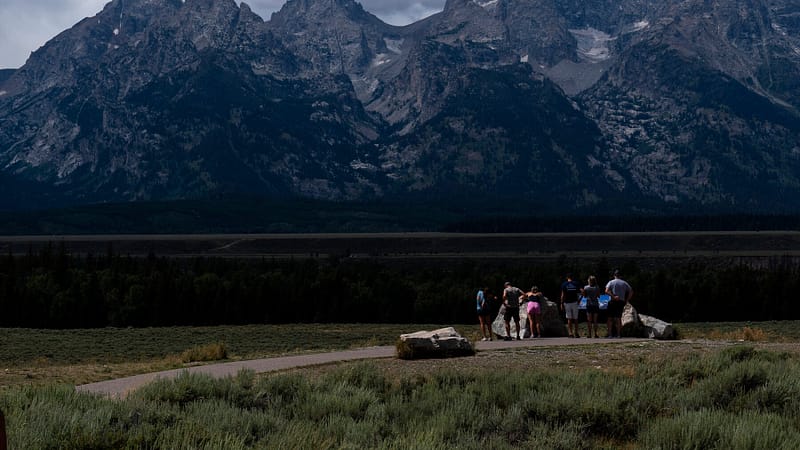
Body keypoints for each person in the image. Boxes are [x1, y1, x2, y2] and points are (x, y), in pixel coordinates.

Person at [605, 269, 633, 338]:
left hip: (613, 301)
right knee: (618, 318)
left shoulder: (611, 282)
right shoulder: (624, 283)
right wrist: (626, 300)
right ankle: (618, 334)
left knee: (610, 318)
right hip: (621, 301)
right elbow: (631, 291)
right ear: (620, 276)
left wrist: (613, 296)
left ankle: (610, 334)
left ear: (614, 275)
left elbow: (606, 291)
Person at [560, 273, 581, 338]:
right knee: (576, 319)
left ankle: (570, 333)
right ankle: (576, 333)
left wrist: (561, 303)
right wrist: (580, 299)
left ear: (567, 278)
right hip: (575, 302)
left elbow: (562, 295)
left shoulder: (564, 284)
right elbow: (582, 291)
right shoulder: (576, 283)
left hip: (567, 303)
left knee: (569, 318)